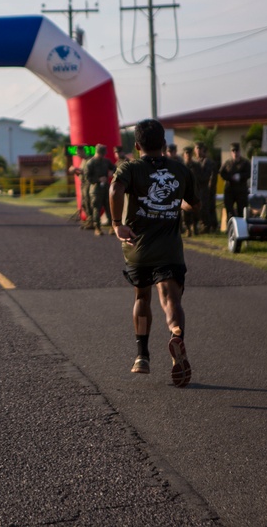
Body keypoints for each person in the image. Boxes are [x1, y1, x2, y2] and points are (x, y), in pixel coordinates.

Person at [109, 119, 200, 388]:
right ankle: (176, 334)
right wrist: (176, 205)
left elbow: (115, 189)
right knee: (171, 298)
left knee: (142, 295)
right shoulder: (180, 170)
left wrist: (117, 224)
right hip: (170, 250)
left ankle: (142, 356)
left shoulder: (130, 168)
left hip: (138, 247)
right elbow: (195, 204)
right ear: (163, 144)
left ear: (137, 145)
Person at [83, 143, 117, 236]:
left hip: (106, 188)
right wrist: (98, 180)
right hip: (95, 190)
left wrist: (112, 172)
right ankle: (97, 228)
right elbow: (87, 177)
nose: (103, 155)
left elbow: (115, 168)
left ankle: (112, 227)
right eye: (102, 153)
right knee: (96, 209)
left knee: (109, 208)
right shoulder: (91, 163)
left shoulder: (106, 161)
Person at [219, 142, 252, 220]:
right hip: (230, 190)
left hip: (241, 190)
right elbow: (221, 173)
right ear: (231, 152)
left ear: (239, 152)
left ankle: (242, 227)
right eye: (233, 151)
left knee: (242, 211)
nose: (235, 153)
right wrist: (230, 177)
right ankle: (230, 227)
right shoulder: (227, 163)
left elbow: (249, 173)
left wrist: (240, 176)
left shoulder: (245, 162)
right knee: (229, 210)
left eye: (236, 151)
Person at [195, 142, 219, 233]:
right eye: (196, 149)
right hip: (200, 188)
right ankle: (209, 225)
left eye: (199, 149)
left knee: (207, 207)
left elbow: (211, 176)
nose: (198, 151)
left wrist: (210, 189)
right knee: (206, 207)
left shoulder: (207, 162)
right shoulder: (197, 161)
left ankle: (209, 226)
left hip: (206, 189)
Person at [181, 147, 200, 237]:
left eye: (189, 154)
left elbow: (200, 178)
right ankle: (188, 228)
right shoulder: (181, 166)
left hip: (194, 191)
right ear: (184, 155)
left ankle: (195, 227)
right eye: (186, 154)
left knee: (195, 210)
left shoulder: (196, 166)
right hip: (184, 191)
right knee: (185, 212)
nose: (188, 156)